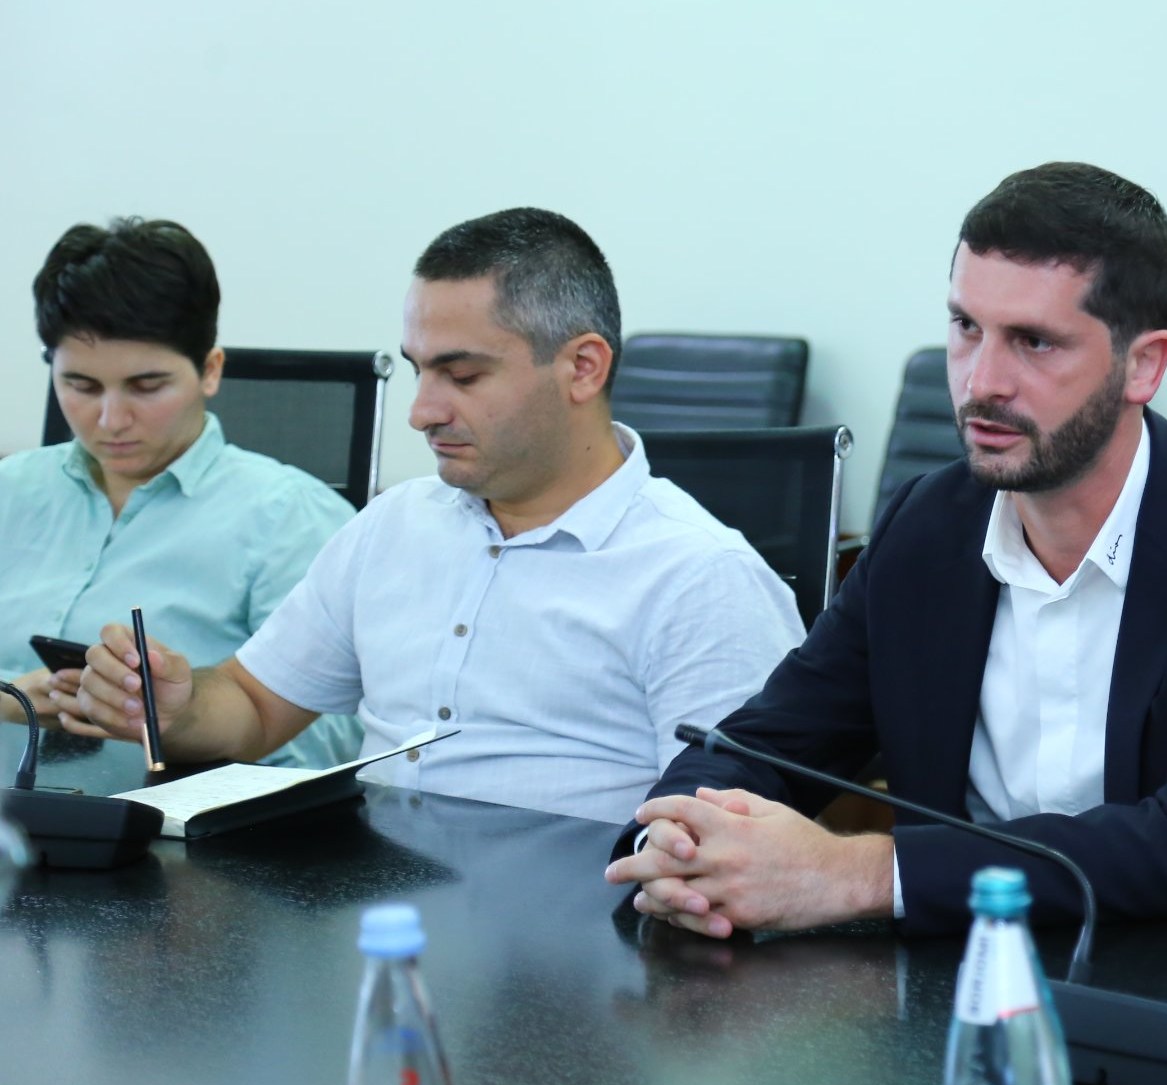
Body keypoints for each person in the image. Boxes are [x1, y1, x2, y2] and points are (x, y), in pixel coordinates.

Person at [606, 162, 1167, 951]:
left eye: (1034, 341)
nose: (981, 382)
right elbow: (765, 742)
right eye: (965, 327)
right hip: (976, 971)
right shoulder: (926, 525)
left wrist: (857, 873)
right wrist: (678, 842)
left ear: (1143, 364)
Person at [59, 208, 805, 824]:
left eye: (463, 374)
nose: (421, 411)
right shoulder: (395, 525)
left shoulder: (700, 578)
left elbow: (734, 838)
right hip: (367, 912)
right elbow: (255, 708)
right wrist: (179, 706)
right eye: (420, 369)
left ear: (582, 367)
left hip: (573, 936)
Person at [0, 218, 359, 768]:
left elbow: (330, 744)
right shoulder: (12, 490)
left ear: (210, 370)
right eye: (81, 385)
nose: (110, 419)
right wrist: (12, 699)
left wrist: (184, 721)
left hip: (171, 818)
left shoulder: (290, 519)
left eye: (147, 386)